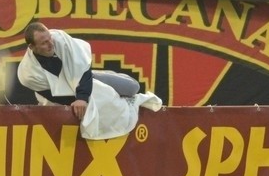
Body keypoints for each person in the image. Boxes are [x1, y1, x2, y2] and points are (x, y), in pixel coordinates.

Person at [17, 22, 162, 140]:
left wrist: (82, 97)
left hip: (84, 78)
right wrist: (82, 100)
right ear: (32, 47)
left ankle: (102, 80)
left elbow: (82, 68)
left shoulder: (60, 39)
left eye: (49, 38)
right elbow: (56, 96)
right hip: (66, 92)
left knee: (132, 88)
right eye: (44, 43)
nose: (50, 44)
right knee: (108, 97)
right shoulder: (27, 74)